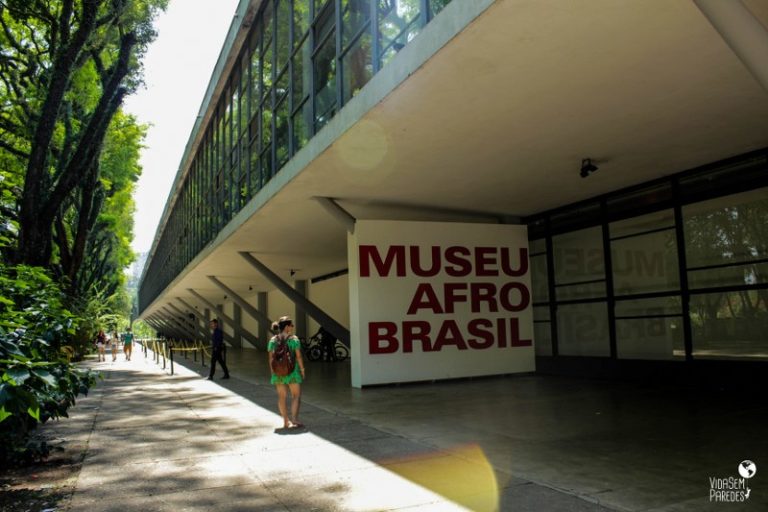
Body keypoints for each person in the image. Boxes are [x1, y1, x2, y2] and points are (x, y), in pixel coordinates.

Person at [268, 316, 306, 429]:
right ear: (287, 327)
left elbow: (270, 358)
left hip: (278, 372)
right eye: (291, 325)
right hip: (292, 372)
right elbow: (298, 356)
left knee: (281, 397)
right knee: (296, 395)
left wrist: (272, 372)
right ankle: (294, 419)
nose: (292, 327)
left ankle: (285, 421)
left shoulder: (273, 340)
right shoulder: (294, 339)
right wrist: (302, 370)